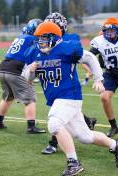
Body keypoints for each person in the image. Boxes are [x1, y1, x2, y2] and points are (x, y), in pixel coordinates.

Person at [23, 21, 118, 176]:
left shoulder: (66, 48)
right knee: (85, 136)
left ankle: (73, 163)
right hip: (57, 98)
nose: (40, 42)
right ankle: (116, 145)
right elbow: (27, 79)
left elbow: (90, 57)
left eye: (44, 38)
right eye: (39, 39)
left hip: (69, 95)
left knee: (54, 123)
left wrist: (98, 79)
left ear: (54, 38)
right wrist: (30, 71)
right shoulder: (33, 53)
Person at [41, 12, 97, 155]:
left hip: (66, 78)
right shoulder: (46, 40)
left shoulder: (69, 40)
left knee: (57, 114)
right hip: (53, 79)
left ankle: (53, 143)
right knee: (64, 112)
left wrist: (96, 76)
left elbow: (83, 57)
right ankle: (88, 121)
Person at [0, 19, 46, 134]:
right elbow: (38, 54)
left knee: (7, 97)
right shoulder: (32, 39)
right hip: (16, 69)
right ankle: (31, 127)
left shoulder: (21, 37)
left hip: (3, 68)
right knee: (30, 98)